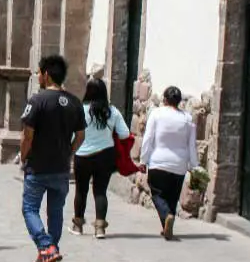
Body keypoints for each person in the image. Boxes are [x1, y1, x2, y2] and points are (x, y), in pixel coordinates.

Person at [20, 54, 86, 262]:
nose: (38, 76)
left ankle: (45, 246)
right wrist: (69, 152)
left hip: (38, 166)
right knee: (55, 211)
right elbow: (80, 135)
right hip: (61, 168)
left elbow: (27, 135)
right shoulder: (75, 102)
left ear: (46, 74)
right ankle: (52, 251)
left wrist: (23, 155)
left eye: (39, 72)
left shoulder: (37, 101)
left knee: (29, 208)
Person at [73, 78, 130, 239]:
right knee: (100, 192)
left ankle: (78, 226)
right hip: (105, 155)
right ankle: (100, 229)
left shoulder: (79, 110)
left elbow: (72, 133)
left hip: (82, 155)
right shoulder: (112, 111)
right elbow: (125, 134)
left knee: (81, 190)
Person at [139, 86, 198, 240]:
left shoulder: (156, 114)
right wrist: (194, 166)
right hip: (179, 165)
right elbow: (192, 145)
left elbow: (148, 139)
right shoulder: (187, 118)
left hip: (158, 162)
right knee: (172, 196)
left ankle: (167, 217)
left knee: (157, 194)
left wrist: (143, 160)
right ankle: (167, 224)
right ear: (179, 101)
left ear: (164, 99)